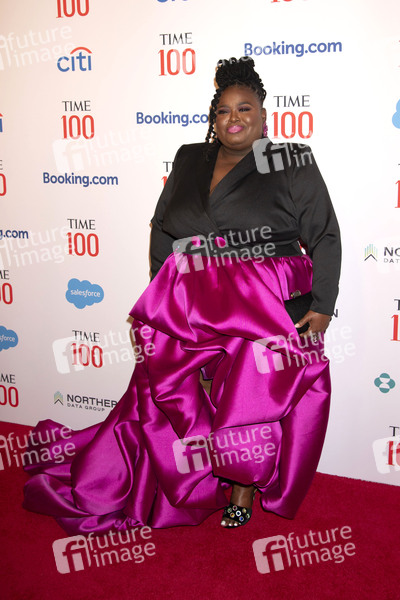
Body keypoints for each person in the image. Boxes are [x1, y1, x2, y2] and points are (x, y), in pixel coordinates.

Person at [23, 57, 341, 532]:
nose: (233, 118)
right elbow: (163, 227)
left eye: (245, 109)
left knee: (248, 392)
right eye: (223, 111)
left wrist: (322, 305)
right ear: (213, 118)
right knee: (179, 386)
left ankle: (242, 487)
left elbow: (324, 234)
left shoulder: (289, 158)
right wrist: (160, 291)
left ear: (263, 115)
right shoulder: (191, 157)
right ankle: (191, 476)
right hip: (191, 293)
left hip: (264, 300)